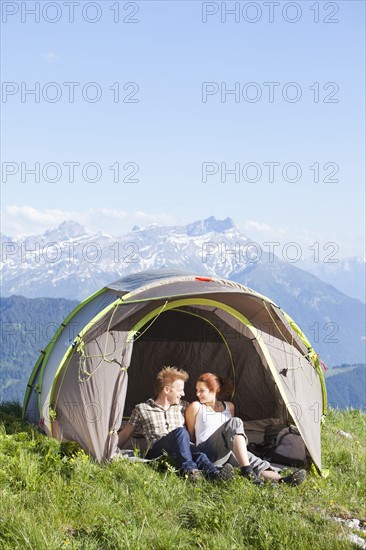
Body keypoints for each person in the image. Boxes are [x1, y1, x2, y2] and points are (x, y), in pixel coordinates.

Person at [185, 373, 306, 486]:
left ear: (214, 390)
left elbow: (232, 435)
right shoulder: (196, 407)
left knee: (254, 461)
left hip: (225, 452)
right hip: (206, 451)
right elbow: (191, 437)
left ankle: (281, 481)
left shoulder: (229, 406)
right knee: (235, 422)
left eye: (201, 391)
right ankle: (247, 470)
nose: (197, 394)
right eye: (197, 390)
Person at [118, 367, 235, 482]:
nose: (183, 393)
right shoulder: (142, 409)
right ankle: (190, 471)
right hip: (158, 451)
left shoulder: (184, 406)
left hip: (182, 450)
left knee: (199, 455)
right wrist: (107, 451)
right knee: (180, 432)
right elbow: (125, 434)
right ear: (167, 390)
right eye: (180, 390)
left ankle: (215, 476)